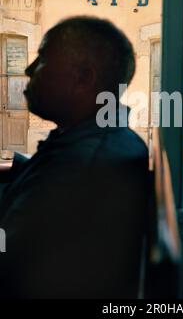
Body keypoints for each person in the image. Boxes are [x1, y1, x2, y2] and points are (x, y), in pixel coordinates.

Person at [0, 16, 150, 298]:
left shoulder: (80, 169)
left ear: (83, 78)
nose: (29, 69)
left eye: (43, 59)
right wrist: (14, 168)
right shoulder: (102, 137)